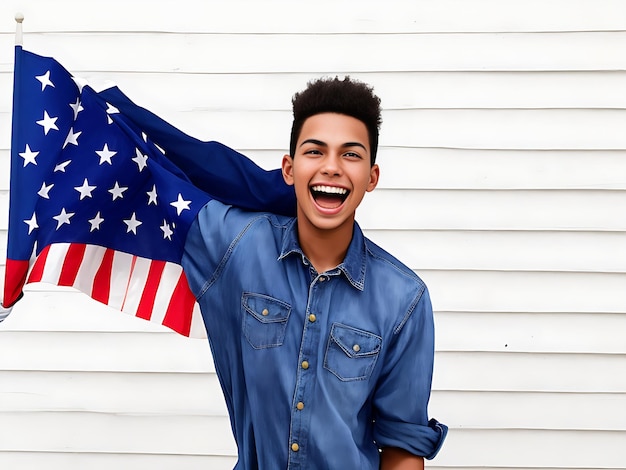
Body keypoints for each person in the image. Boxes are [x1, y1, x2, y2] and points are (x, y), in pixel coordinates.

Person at [181, 76, 446, 469]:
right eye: (315, 151)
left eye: (351, 155)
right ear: (289, 169)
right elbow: (152, 185)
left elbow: (403, 447)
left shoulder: (404, 299)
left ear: (372, 177)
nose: (332, 167)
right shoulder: (238, 247)